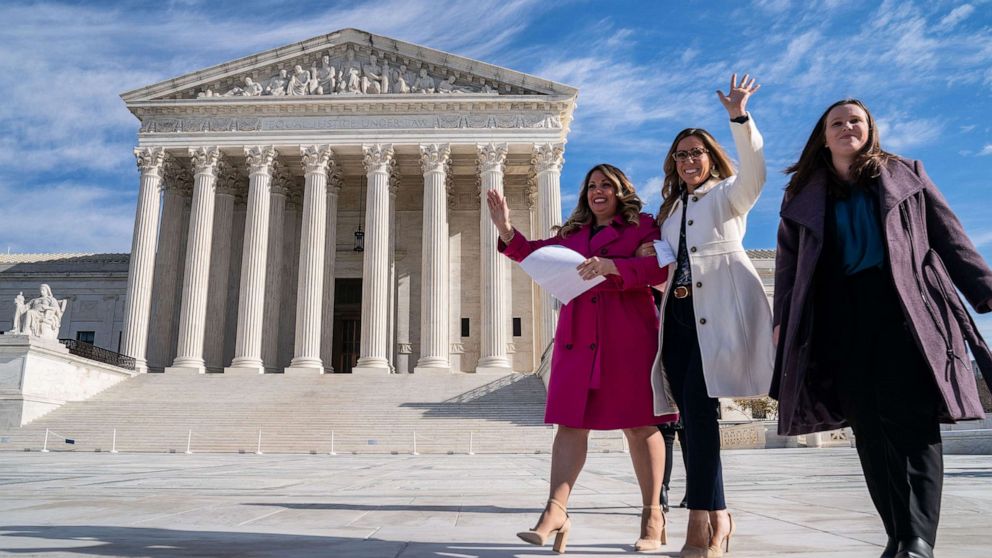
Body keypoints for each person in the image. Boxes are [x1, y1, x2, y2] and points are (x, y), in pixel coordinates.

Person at [771, 98, 992, 558]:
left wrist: (984, 288)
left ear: (870, 129)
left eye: (856, 120)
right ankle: (897, 534)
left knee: (912, 421)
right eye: (838, 122)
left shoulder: (905, 173)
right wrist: (783, 323)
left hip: (907, 310)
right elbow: (790, 269)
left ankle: (918, 538)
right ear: (824, 135)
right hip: (837, 317)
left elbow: (949, 235)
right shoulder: (802, 194)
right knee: (868, 428)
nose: (847, 127)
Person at [487, 164, 677, 553]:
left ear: (621, 190)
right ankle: (555, 511)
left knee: (640, 425)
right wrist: (506, 229)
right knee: (571, 425)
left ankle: (652, 515)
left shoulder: (642, 227)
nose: (597, 191)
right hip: (578, 338)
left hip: (628, 335)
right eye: (591, 186)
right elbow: (530, 254)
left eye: (606, 185)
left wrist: (615, 267)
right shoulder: (571, 235)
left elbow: (660, 268)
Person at [640, 73, 772, 558]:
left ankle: (701, 522)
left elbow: (756, 170)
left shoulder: (729, 194)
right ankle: (719, 516)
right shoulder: (671, 209)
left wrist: (740, 117)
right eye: (681, 155)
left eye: (697, 152)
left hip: (716, 313)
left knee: (698, 410)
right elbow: (659, 261)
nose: (689, 160)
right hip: (675, 319)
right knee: (691, 416)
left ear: (711, 157)